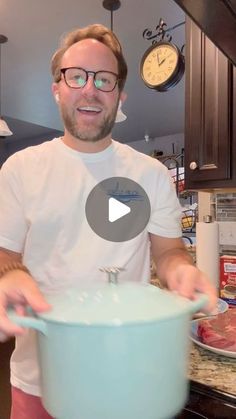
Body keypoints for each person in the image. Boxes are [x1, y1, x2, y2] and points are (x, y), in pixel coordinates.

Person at [0, 24, 217, 419]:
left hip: (128, 375)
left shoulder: (150, 173)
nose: (90, 89)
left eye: (104, 79)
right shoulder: (20, 169)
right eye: (76, 76)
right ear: (56, 88)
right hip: (41, 379)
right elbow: (4, 256)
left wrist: (181, 271)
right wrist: (10, 275)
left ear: (119, 94)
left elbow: (168, 252)